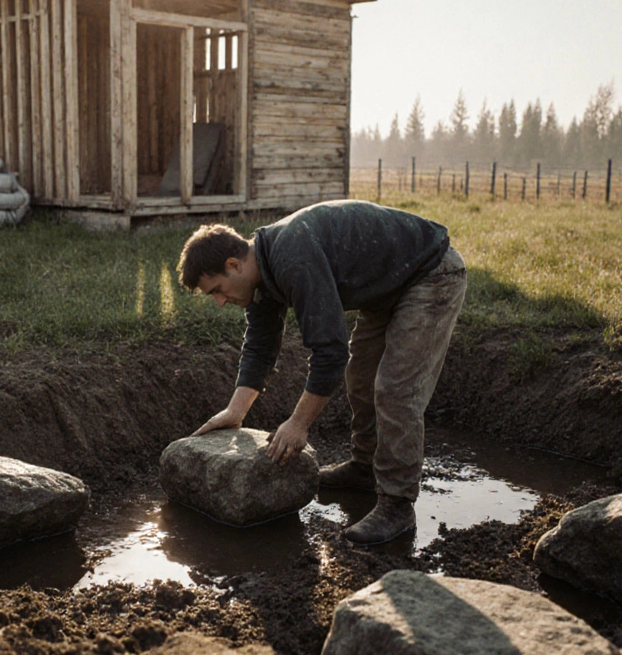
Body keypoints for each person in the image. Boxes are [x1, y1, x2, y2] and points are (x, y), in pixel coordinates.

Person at [177, 200, 467, 544]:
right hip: (387, 284)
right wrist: (235, 411)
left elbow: (329, 351)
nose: (220, 302)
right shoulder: (262, 271)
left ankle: (397, 504)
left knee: (396, 390)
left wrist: (298, 424)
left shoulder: (291, 257)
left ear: (233, 265)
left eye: (217, 291)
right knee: (360, 378)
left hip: (428, 273)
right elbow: (259, 345)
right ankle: (364, 468)